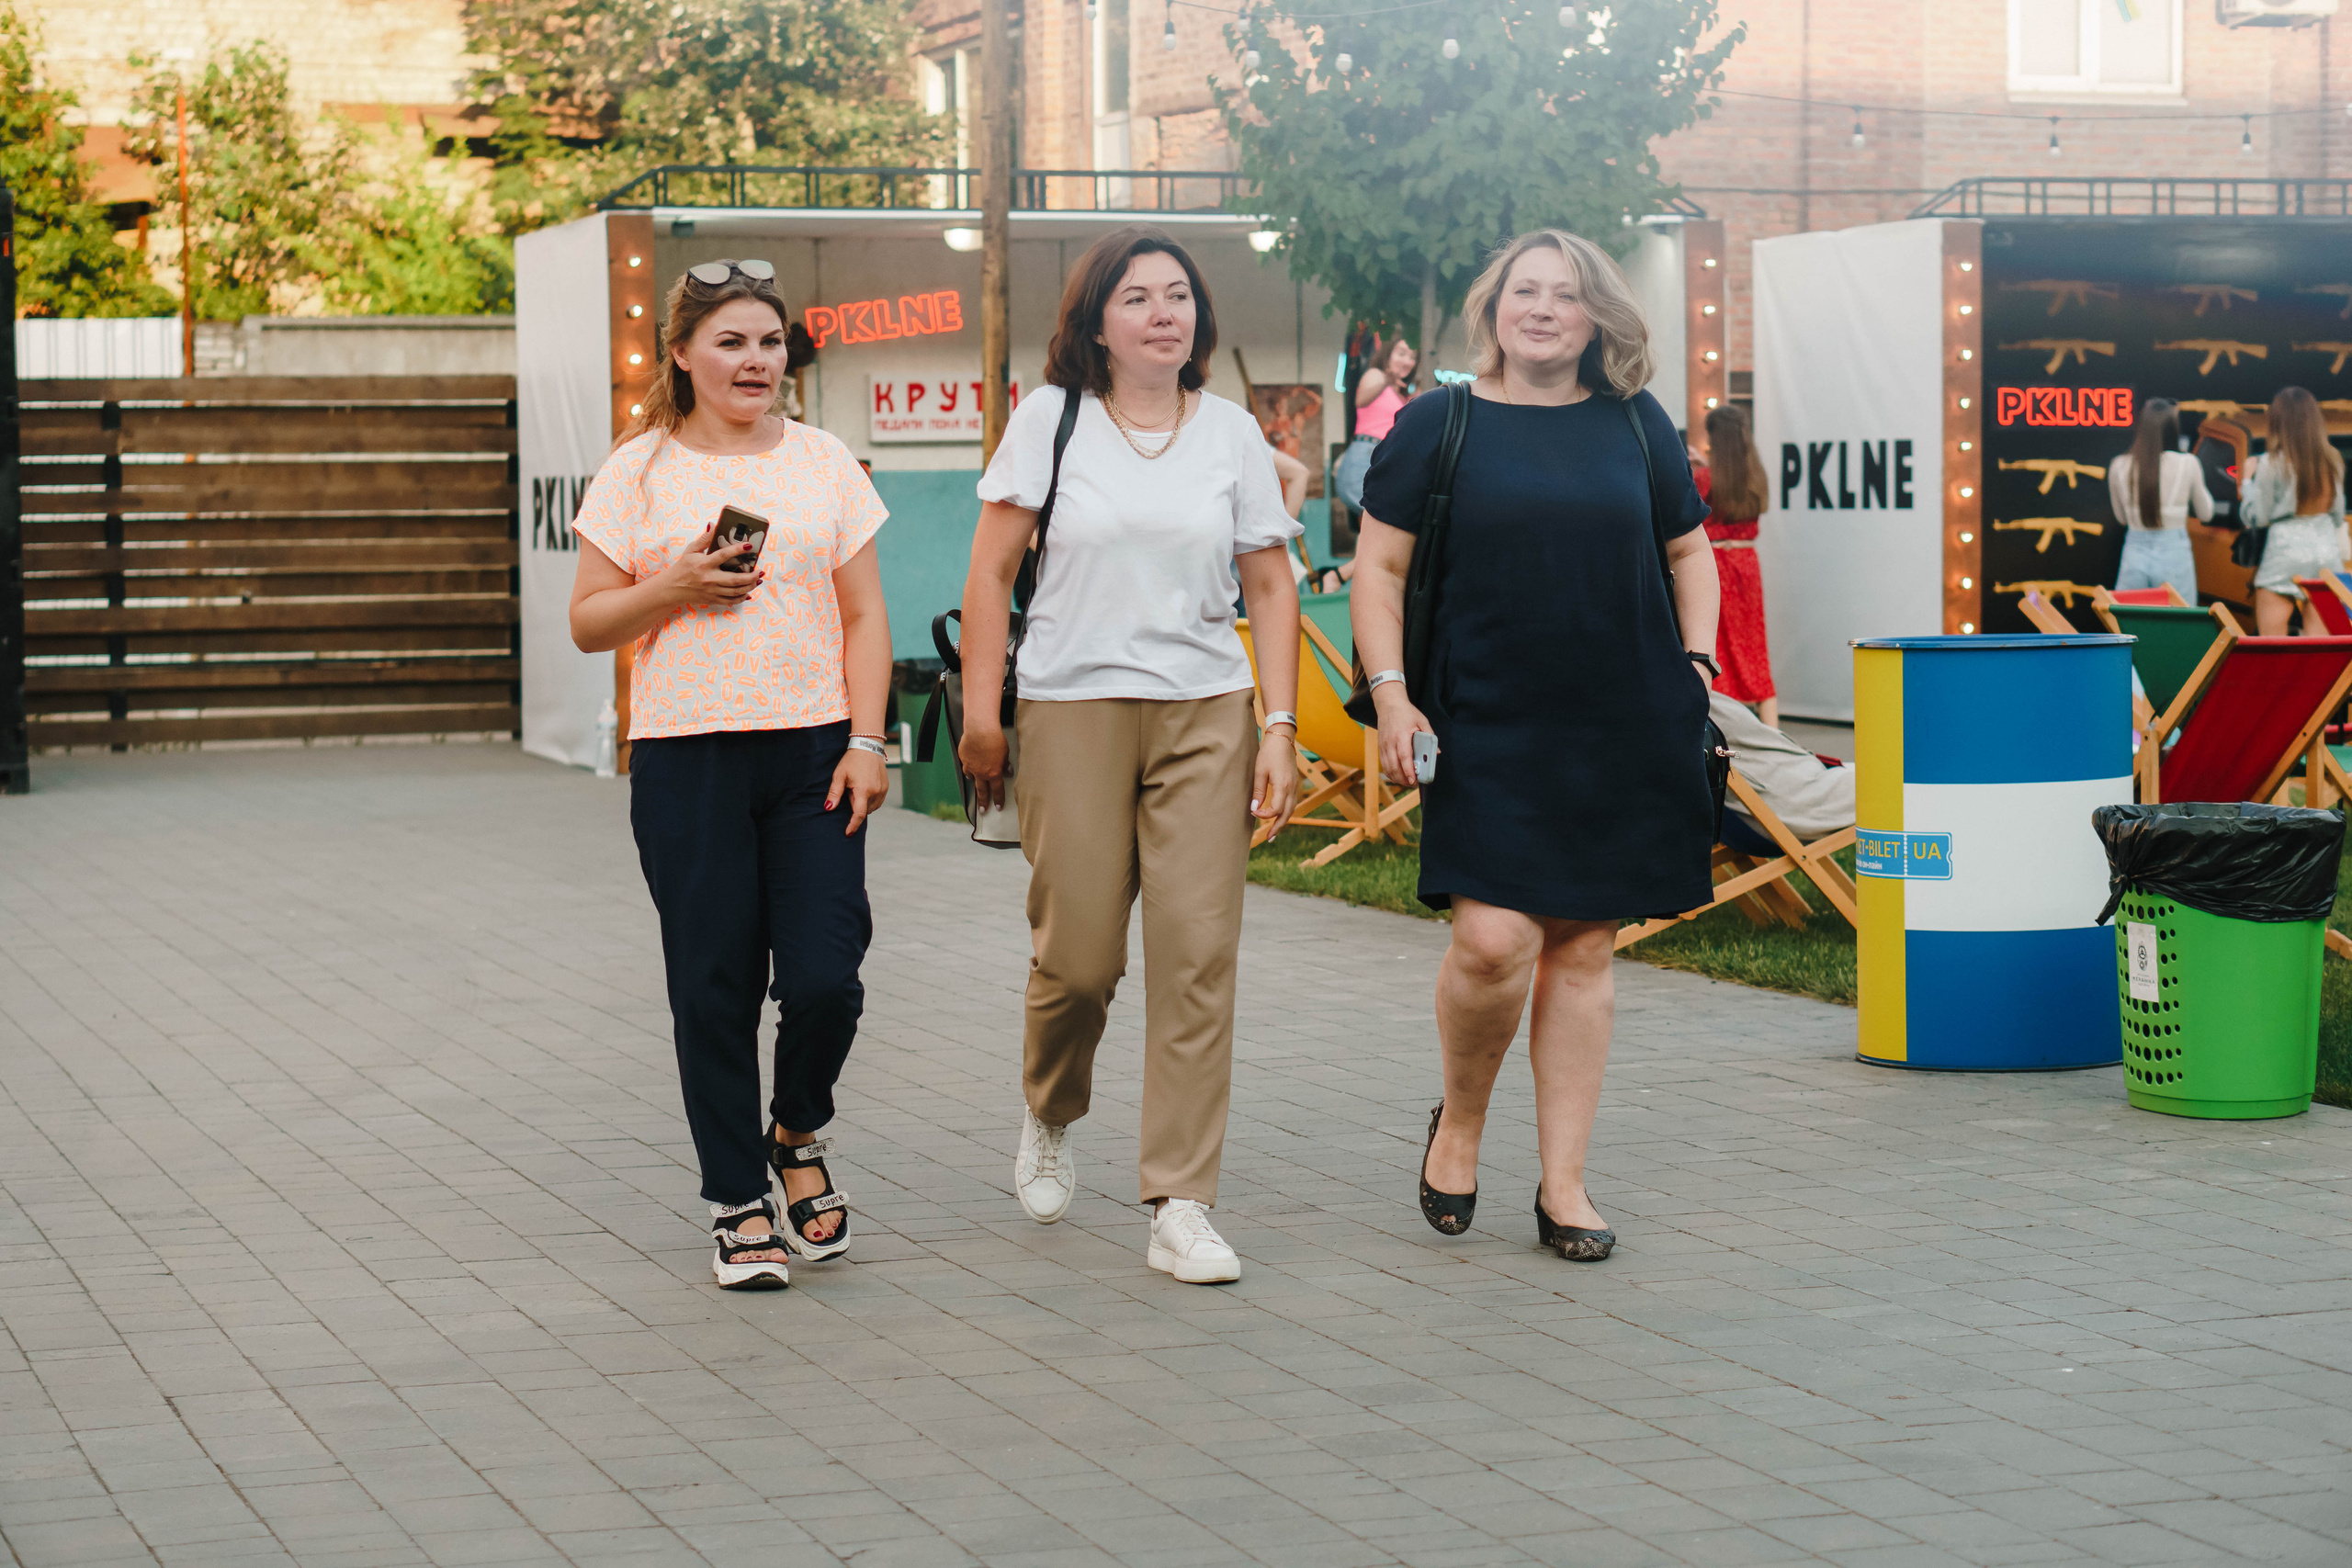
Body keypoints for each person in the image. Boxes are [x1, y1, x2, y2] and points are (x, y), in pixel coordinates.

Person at [1351, 229, 1718, 1263]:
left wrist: (1696, 668)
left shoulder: (1636, 422)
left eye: (1566, 294)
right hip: (1482, 720)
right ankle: (1461, 1122)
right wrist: (1391, 696)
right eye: (1525, 291)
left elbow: (1690, 551)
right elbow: (1378, 571)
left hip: (1620, 720)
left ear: (1597, 317)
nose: (1543, 309)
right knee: (1493, 941)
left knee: (1584, 946)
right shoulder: (1440, 423)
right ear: (1494, 307)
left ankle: (1565, 1185)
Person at [956, 226, 1303, 1285]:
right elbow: (989, 574)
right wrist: (984, 713)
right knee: (1079, 961)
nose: (1164, 313)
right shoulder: (1051, 420)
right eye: (1138, 297)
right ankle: (1051, 1106)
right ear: (1097, 322)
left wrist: (1280, 727)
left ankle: (1179, 1202)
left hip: (1206, 708)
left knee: (1197, 955)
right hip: (1072, 705)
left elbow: (1270, 584)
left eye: (1178, 295)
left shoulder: (1231, 432)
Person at [568, 259, 890, 1291]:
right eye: (731, 342)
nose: (756, 361)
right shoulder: (637, 471)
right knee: (713, 988)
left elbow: (864, 615)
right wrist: (674, 584)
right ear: (681, 354)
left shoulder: (824, 460)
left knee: (827, 979)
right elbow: (588, 623)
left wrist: (869, 741)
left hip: (814, 756)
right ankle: (737, 1198)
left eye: (769, 341)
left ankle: (795, 1131)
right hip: (688, 758)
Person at [2245, 386, 2348, 637]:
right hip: (2325, 554)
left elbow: (2257, 517)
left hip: (2284, 554)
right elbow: (2338, 515)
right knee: (2320, 647)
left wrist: (2246, 482)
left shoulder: (2270, 463)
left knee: (2273, 644)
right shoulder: (2332, 459)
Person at [1699, 403, 1778, 728]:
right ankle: (1773, 736)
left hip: (1715, 566)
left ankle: (1721, 734)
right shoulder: (1756, 476)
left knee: (1714, 645)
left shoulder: (1704, 478)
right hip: (1746, 565)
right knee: (1754, 648)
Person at [2107, 398, 2212, 606]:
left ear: (2141, 428)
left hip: (2135, 550)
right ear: (2173, 428)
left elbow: (2121, 519)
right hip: (2175, 552)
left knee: (2130, 620)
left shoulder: (2119, 465)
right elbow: (2206, 513)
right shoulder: (2188, 463)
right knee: (2179, 620)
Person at [1332, 336, 1419, 514]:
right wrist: (1386, 380)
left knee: (1384, 517)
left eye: (1412, 357)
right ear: (1387, 354)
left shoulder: (1401, 393)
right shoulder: (1376, 375)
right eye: (1401, 354)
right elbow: (1360, 400)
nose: (1407, 361)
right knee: (1380, 515)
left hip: (1385, 458)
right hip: (1367, 454)